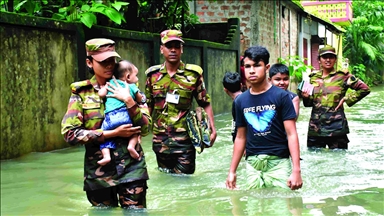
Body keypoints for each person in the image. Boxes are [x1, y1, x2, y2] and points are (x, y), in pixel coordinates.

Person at [61, 38, 151, 208]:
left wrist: (130, 102)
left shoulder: (129, 85)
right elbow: (70, 133)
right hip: (98, 172)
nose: (109, 65)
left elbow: (146, 128)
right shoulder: (81, 93)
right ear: (89, 62)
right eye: (103, 61)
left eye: (112, 60)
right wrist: (111, 134)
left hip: (132, 168)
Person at [225, 46, 302, 190]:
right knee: (254, 207)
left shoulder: (281, 96)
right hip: (252, 164)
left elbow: (292, 134)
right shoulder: (240, 101)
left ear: (266, 67)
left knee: (281, 207)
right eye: (247, 66)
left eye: (257, 65)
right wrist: (232, 171)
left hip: (278, 162)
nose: (252, 70)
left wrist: (296, 170)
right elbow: (240, 137)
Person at [144, 29, 217, 174]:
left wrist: (212, 129)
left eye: (177, 46)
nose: (173, 50)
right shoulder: (152, 75)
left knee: (184, 181)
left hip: (186, 141)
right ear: (161, 49)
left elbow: (204, 102)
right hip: (160, 141)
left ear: (182, 49)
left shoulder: (193, 75)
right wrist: (140, 133)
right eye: (169, 46)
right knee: (165, 179)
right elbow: (148, 106)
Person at [300, 45, 370, 149]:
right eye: (324, 57)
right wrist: (305, 97)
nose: (328, 60)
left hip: (336, 128)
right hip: (316, 128)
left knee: (339, 160)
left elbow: (365, 89)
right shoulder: (313, 78)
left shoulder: (343, 76)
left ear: (335, 59)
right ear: (319, 60)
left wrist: (347, 98)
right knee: (315, 160)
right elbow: (309, 104)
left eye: (331, 57)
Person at [97, 60, 144, 166]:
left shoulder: (110, 83)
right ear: (128, 76)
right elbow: (140, 98)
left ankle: (106, 156)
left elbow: (101, 94)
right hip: (125, 115)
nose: (137, 79)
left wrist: (103, 88)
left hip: (110, 117)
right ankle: (131, 146)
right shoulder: (131, 85)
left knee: (104, 136)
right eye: (136, 76)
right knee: (136, 131)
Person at [222, 71, 242, 142]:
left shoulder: (237, 102)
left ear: (225, 90)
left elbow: (239, 128)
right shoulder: (246, 98)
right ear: (241, 85)